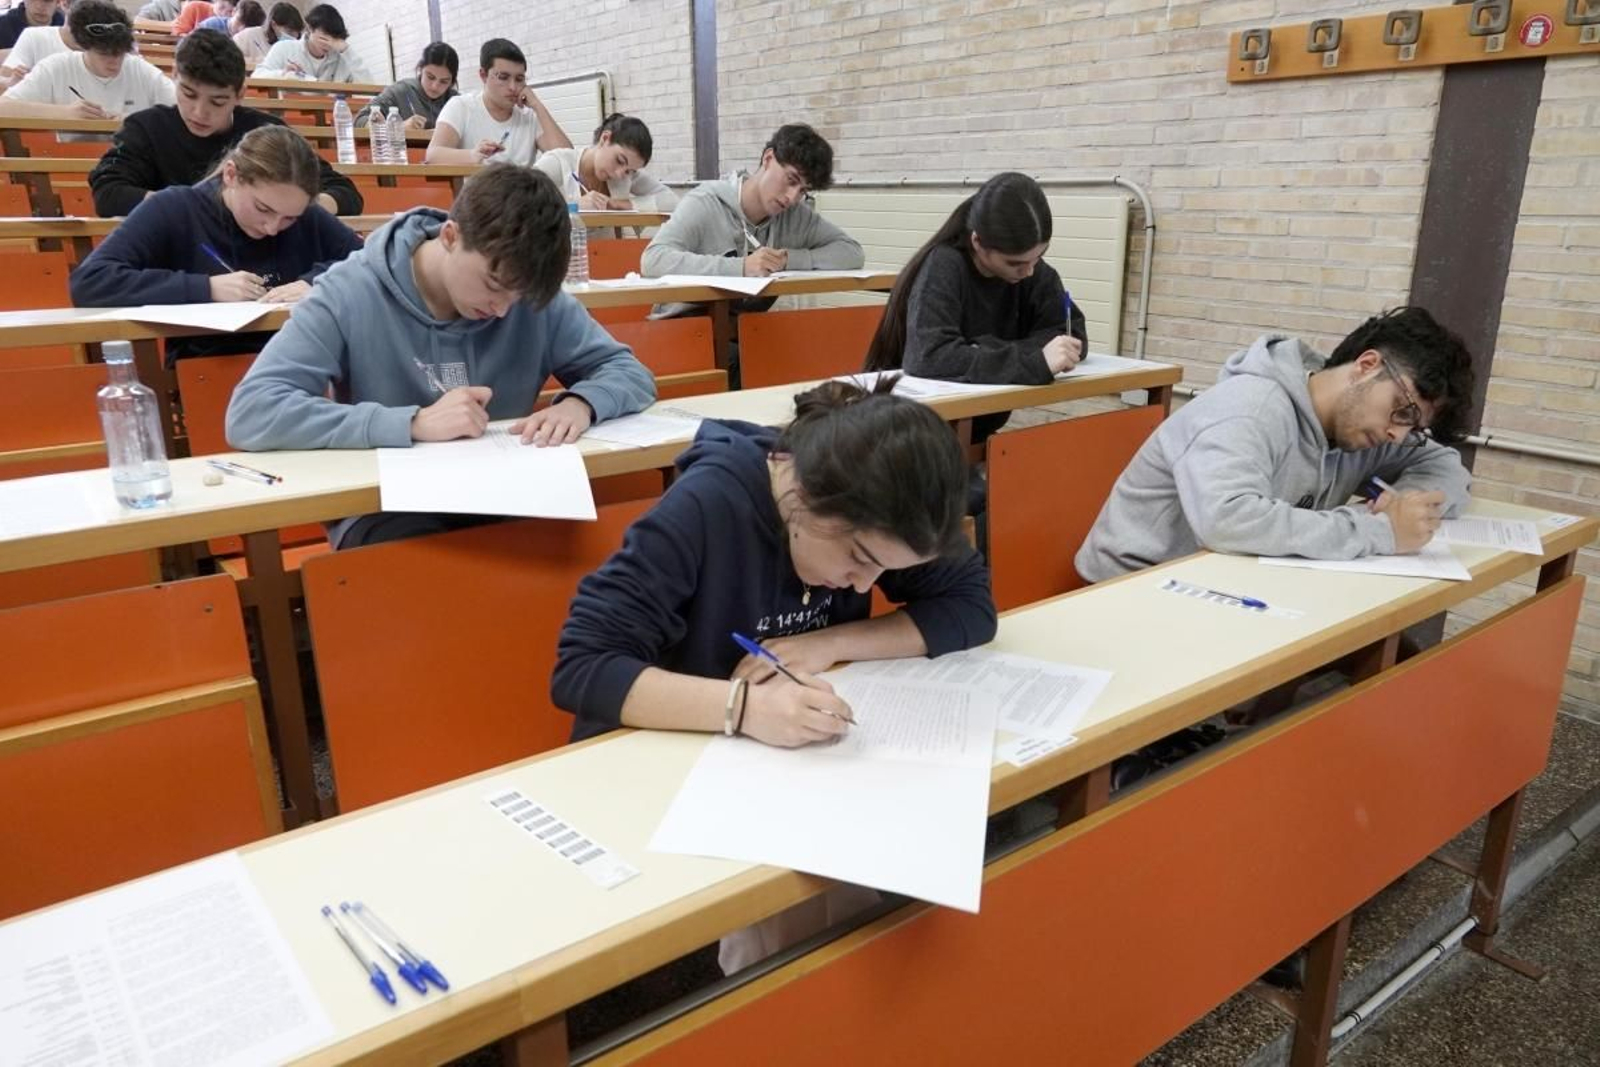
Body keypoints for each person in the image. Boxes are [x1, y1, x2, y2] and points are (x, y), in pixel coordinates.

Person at [552, 377, 996, 974]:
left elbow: (971, 610)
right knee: (822, 929)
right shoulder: (709, 504)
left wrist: (828, 641)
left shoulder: (882, 514)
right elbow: (583, 668)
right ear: (805, 497)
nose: (867, 586)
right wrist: (746, 709)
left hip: (785, 756)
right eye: (860, 560)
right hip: (667, 751)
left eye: (885, 571)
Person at [224, 164, 657, 548]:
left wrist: (582, 404)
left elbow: (628, 372)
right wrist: (410, 423)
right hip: (387, 505)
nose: (504, 309)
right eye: (493, 285)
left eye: (518, 296)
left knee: (594, 562)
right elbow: (252, 411)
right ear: (450, 236)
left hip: (507, 491)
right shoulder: (347, 292)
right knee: (435, 584)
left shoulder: (529, 295)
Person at [1075, 306, 1477, 584]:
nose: (1399, 434)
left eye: (1415, 428)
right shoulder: (1250, 408)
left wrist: (1403, 507)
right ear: (1366, 367)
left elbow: (1444, 466)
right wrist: (1380, 530)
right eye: (1402, 411)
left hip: (1225, 583)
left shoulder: (1365, 432)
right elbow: (1227, 522)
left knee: (1374, 650)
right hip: (1129, 590)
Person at [71, 125, 364, 361]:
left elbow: (372, 262)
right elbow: (90, 281)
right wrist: (206, 288)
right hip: (206, 369)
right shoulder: (175, 208)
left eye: (289, 218)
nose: (273, 228)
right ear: (231, 175)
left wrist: (319, 282)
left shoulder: (306, 216)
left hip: (300, 365)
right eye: (263, 209)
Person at [862, 171, 1087, 447]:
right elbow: (929, 356)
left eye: (1039, 257)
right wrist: (1035, 361)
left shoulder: (1030, 268)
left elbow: (1070, 334)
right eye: (1015, 263)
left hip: (972, 431)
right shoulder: (943, 265)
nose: (1029, 271)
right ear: (978, 243)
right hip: (910, 437)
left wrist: (980, 350)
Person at [89, 29, 362, 216]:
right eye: (188, 94)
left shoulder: (267, 132)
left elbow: (344, 193)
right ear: (175, 76)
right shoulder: (147, 128)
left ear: (240, 95)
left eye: (217, 102)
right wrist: (190, 207)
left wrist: (288, 208)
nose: (199, 112)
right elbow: (109, 193)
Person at [640, 122, 863, 317]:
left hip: (744, 333)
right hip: (685, 328)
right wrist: (741, 267)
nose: (792, 197)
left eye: (803, 191)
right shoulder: (706, 202)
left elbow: (851, 252)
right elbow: (653, 260)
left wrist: (787, 260)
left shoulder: (795, 216)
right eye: (791, 180)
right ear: (768, 158)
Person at [0, 1, 172, 122]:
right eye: (104, 54)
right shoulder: (55, 67)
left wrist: (138, 120)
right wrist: (64, 113)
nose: (114, 62)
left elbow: (181, 110)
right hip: (67, 161)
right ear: (85, 47)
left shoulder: (138, 69)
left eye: (119, 54)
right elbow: (4, 108)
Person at [424, 37, 569, 166]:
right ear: (483, 75)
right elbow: (433, 155)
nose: (513, 87)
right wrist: (472, 155)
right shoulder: (461, 106)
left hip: (520, 195)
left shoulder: (529, 115)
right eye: (503, 77)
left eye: (519, 79)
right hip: (476, 195)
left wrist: (538, 106)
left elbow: (567, 160)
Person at [533, 112, 677, 212]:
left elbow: (672, 201)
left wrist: (620, 204)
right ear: (605, 139)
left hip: (609, 252)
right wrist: (574, 206)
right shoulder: (558, 162)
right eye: (619, 160)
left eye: (629, 171)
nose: (620, 174)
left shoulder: (626, 177)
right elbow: (518, 202)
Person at [254, 3, 369, 83]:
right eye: (324, 37)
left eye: (334, 38)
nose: (329, 44)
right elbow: (257, 77)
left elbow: (368, 89)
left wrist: (347, 51)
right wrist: (284, 74)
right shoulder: (284, 48)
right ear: (309, 29)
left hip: (332, 113)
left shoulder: (341, 59)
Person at [355, 40, 455, 129]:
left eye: (444, 81)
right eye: (430, 77)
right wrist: (399, 127)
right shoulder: (400, 91)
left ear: (452, 81)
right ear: (420, 69)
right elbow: (359, 120)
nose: (435, 86)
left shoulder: (456, 100)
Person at [0, 18, 73, 86]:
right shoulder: (33, 35)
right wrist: (10, 82)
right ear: (64, 4)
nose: (39, 6)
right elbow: (6, 81)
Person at [232, 1, 298, 65]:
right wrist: (256, 60)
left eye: (297, 33)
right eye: (289, 31)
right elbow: (233, 60)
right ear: (273, 25)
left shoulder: (294, 46)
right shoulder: (247, 36)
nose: (293, 37)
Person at [197, 0, 261, 38]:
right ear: (233, 11)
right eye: (239, 20)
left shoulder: (246, 39)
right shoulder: (211, 24)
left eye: (246, 27)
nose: (241, 29)